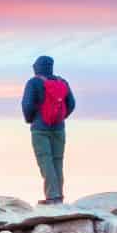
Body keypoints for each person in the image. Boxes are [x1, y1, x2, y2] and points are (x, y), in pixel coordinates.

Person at [20, 55, 75, 204]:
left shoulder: (33, 83)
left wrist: (31, 119)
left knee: (45, 160)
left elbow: (27, 105)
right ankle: (59, 196)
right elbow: (71, 104)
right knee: (58, 160)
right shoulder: (62, 82)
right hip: (59, 128)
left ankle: (52, 196)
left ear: (36, 67)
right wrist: (60, 117)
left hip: (40, 129)